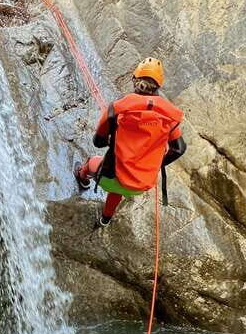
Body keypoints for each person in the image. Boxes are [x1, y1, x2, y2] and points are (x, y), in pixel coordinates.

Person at [74, 57, 187, 227]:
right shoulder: (169, 117)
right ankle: (105, 219)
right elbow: (179, 148)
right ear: (158, 86)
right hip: (141, 185)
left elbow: (98, 142)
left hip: (111, 177)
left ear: (134, 79)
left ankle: (82, 178)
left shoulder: (116, 109)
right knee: (119, 189)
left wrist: (115, 139)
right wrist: (156, 163)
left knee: (92, 163)